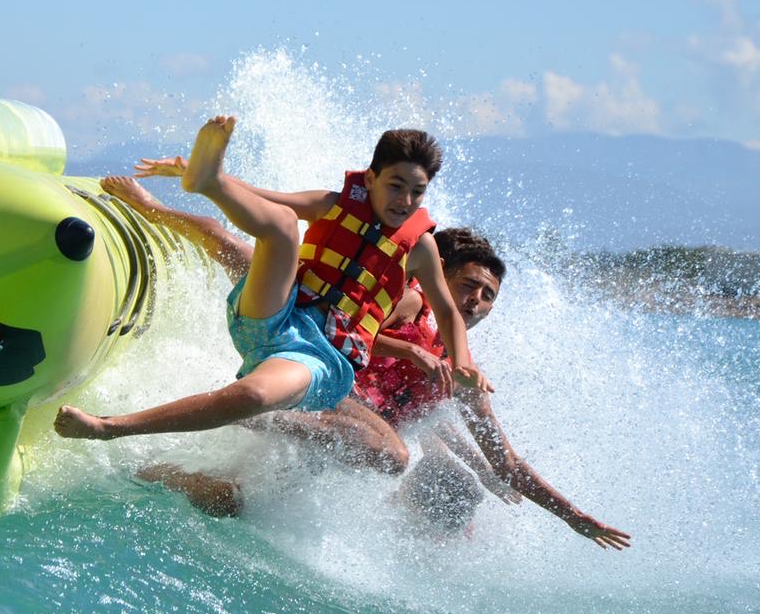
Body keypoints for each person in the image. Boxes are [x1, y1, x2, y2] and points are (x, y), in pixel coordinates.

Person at [100, 173, 629, 549]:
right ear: (442, 278)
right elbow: (354, 329)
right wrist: (408, 348)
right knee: (243, 252)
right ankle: (153, 208)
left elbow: (505, 462)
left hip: (341, 434)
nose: (477, 302)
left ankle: (149, 472)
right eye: (470, 286)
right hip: (321, 371)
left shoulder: (463, 373)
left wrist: (574, 518)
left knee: (228, 502)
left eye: (489, 296)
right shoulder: (413, 303)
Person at [53, 117, 484, 441]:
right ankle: (199, 185)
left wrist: (461, 362)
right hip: (279, 307)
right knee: (280, 224)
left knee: (255, 397)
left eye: (417, 191)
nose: (405, 200)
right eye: (396, 185)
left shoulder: (420, 248)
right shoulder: (332, 203)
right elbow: (263, 198)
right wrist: (198, 173)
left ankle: (109, 427)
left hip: (320, 357)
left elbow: (448, 312)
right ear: (370, 178)